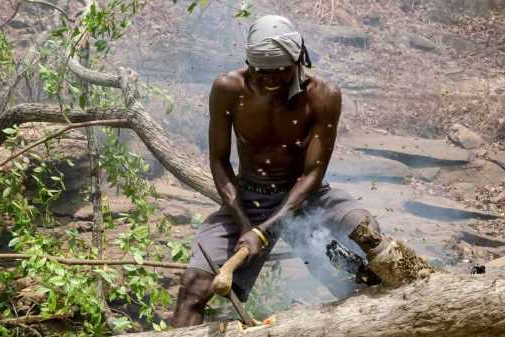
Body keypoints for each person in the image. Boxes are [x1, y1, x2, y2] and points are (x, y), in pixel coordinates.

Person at [170, 15, 428, 328]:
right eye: (260, 72)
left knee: (367, 234)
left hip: (307, 197)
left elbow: (313, 175)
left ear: (298, 60)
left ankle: (413, 305)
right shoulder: (229, 89)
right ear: (248, 62)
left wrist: (263, 231)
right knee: (192, 290)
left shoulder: (323, 96)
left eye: (278, 73)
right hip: (248, 199)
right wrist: (244, 225)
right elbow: (219, 160)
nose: (268, 80)